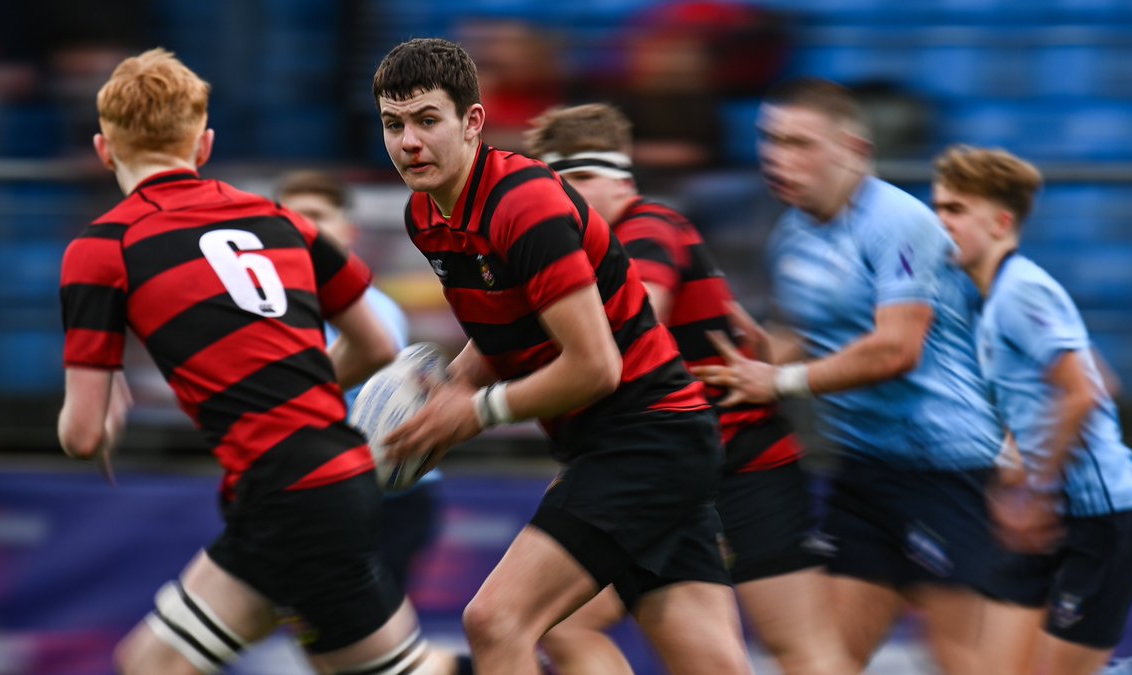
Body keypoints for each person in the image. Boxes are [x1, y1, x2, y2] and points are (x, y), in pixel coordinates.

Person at [58, 48, 464, 675]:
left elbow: (83, 435)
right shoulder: (279, 220)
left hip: (286, 493)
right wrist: (291, 392)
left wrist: (101, 410)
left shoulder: (102, 245)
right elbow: (378, 346)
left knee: (154, 665)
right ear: (204, 145)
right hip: (335, 479)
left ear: (104, 150)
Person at [372, 38, 753, 675]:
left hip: (645, 440)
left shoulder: (525, 204)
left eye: (427, 120)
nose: (409, 142)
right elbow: (501, 334)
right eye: (393, 124)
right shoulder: (426, 215)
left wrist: (474, 415)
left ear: (472, 123)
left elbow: (594, 366)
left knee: (496, 622)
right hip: (647, 442)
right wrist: (448, 393)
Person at [523, 102, 856, 675]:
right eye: (555, 184)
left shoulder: (648, 225)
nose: (566, 197)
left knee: (799, 648)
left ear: (623, 178)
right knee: (562, 626)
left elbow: (634, 322)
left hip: (746, 464)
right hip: (663, 468)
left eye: (581, 179)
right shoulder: (596, 251)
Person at [694, 78, 1001, 674]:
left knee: (965, 660)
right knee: (828, 657)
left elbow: (896, 349)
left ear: (853, 150)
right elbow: (797, 337)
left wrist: (780, 383)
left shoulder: (900, 222)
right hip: (864, 471)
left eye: (798, 143)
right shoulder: (791, 237)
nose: (777, 157)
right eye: (768, 140)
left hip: (949, 471)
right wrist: (738, 360)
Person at [932, 145, 1132, 675]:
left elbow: (1083, 392)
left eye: (956, 210)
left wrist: (1035, 489)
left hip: (1100, 523)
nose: (940, 222)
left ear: (1002, 221)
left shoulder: (1020, 292)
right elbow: (1102, 379)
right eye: (937, 208)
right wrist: (1014, 463)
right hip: (1049, 521)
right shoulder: (994, 301)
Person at [276, 169, 442, 594]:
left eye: (315, 214)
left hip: (384, 502)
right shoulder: (272, 311)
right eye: (288, 218)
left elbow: (377, 361)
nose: (303, 227)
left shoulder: (372, 312)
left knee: (371, 649)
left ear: (348, 231)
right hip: (317, 498)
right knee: (343, 650)